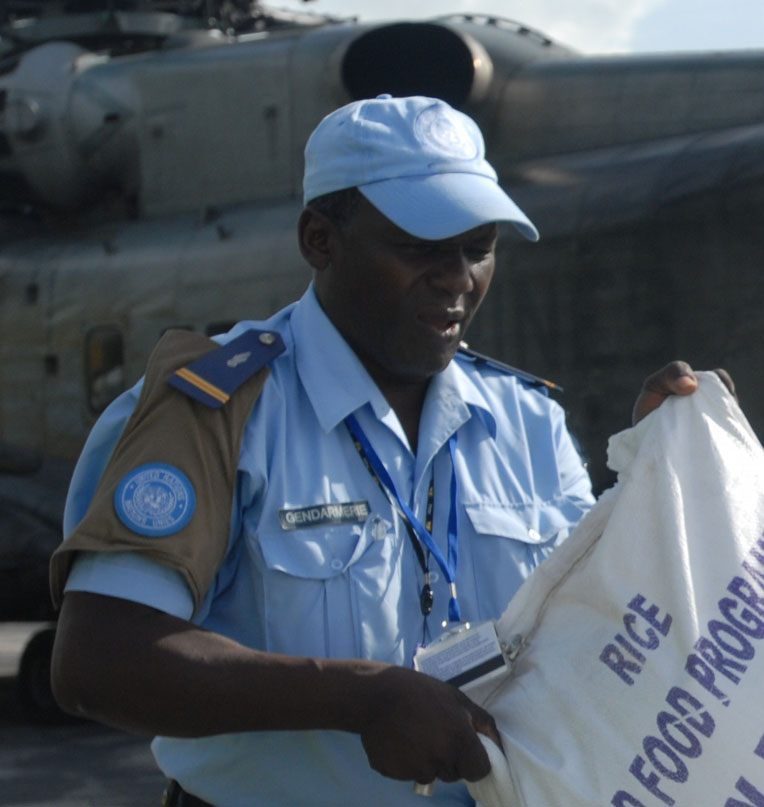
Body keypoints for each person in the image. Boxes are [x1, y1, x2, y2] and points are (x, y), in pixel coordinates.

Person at [50, 94, 706, 807]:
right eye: (422, 246)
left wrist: (663, 479)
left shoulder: (527, 421)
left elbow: (598, 626)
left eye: (479, 246)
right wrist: (356, 698)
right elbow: (99, 659)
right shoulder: (216, 410)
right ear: (319, 240)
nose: (459, 276)